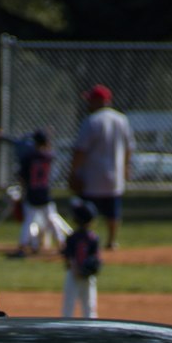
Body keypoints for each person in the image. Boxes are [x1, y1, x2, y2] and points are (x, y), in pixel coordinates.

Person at [0, 127, 71, 255]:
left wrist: (23, 190)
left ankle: (23, 246)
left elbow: (22, 177)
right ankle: (62, 244)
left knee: (29, 221)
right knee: (52, 219)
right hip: (45, 192)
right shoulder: (48, 156)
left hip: (32, 192)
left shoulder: (29, 157)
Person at [68, 85, 134, 250]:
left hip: (93, 174)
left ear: (98, 101)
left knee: (87, 210)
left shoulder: (91, 121)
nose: (88, 104)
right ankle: (112, 241)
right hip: (115, 174)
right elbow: (129, 147)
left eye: (91, 100)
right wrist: (126, 166)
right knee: (113, 210)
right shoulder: (122, 120)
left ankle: (86, 239)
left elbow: (80, 150)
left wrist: (74, 172)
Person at [60, 199, 101, 319]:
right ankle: (92, 330)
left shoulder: (72, 237)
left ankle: (65, 328)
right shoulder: (93, 238)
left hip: (74, 276)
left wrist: (76, 270)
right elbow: (96, 259)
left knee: (69, 306)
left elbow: (69, 258)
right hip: (85, 276)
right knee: (89, 307)